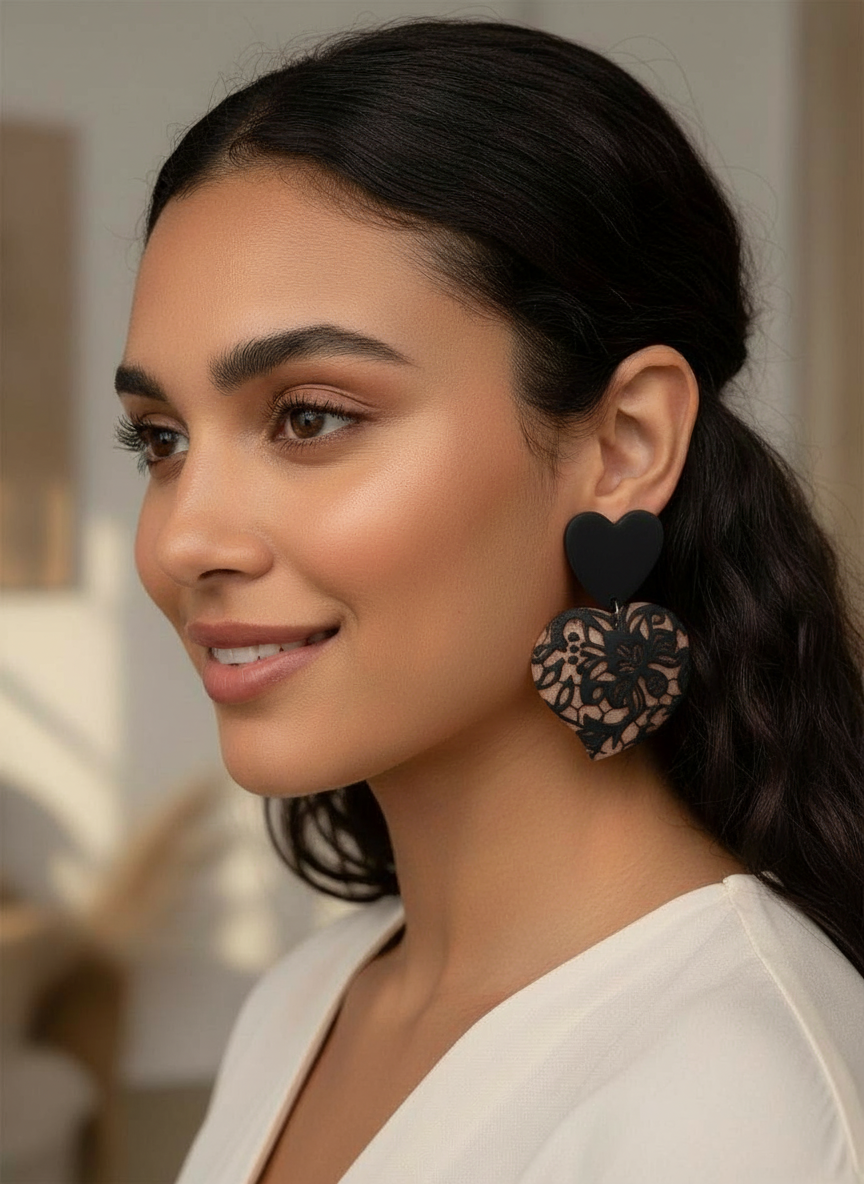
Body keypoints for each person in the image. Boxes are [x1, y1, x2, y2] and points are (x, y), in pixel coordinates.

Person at [113, 17, 864, 1184]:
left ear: (622, 443)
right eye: (159, 437)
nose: (182, 536)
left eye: (309, 415)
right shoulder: (311, 997)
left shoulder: (731, 1100)